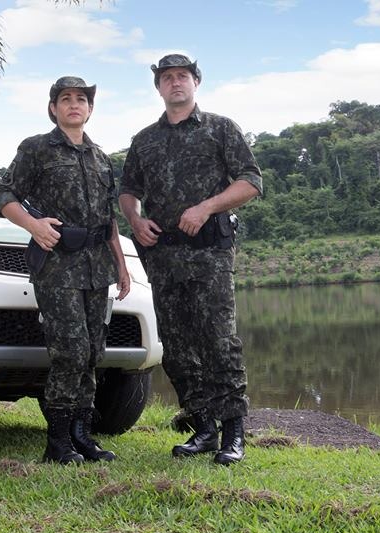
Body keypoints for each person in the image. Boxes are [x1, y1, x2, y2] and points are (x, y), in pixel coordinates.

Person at [118, 54, 263, 465]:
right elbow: (128, 189)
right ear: (158, 87)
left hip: (209, 255)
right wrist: (135, 218)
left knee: (219, 341)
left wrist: (206, 207)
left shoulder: (221, 129)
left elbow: (251, 182)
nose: (175, 83)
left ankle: (234, 432)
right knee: (178, 346)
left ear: (196, 82)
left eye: (182, 76)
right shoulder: (144, 139)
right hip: (162, 257)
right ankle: (203, 428)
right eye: (167, 78)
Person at [0, 76, 131, 464]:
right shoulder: (37, 148)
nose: (74, 105)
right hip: (56, 266)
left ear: (90, 109)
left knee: (92, 353)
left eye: (82, 99)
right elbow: (4, 195)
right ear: (53, 108)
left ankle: (82, 437)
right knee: (69, 351)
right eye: (66, 99)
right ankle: (57, 443)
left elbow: (108, 219)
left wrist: (121, 266)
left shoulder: (100, 158)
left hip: (96, 265)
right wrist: (33, 226)